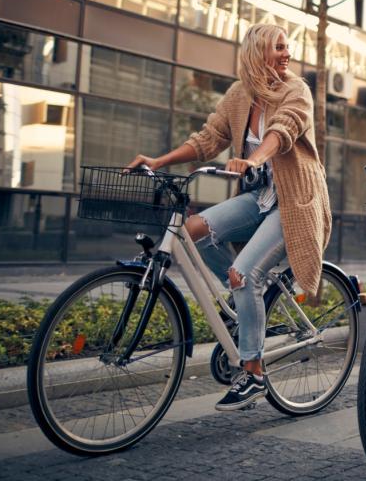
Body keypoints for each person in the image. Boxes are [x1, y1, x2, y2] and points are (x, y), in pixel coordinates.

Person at [126, 23, 331, 410]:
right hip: (259, 196)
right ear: (258, 53)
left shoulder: (296, 89)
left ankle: (253, 373)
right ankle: (243, 304)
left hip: (295, 201)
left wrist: (252, 159)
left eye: (288, 47)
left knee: (245, 274)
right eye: (279, 48)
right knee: (190, 233)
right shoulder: (240, 94)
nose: (287, 54)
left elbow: (283, 131)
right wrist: (159, 160)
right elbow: (208, 138)